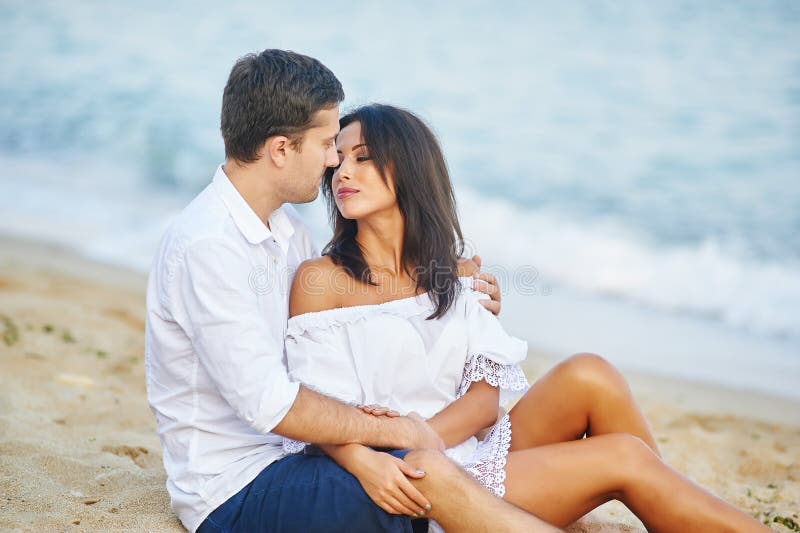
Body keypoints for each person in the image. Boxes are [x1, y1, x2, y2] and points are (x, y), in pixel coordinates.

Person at [283, 103, 771, 532]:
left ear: (410, 167)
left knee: (591, 373)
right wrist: (412, 444)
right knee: (623, 457)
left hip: (460, 448)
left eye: (362, 156)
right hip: (408, 474)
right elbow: (315, 411)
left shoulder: (455, 271)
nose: (342, 171)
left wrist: (428, 432)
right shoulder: (321, 281)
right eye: (339, 158)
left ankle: (666, 511)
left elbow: (482, 404)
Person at [145, 49, 560, 532]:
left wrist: (461, 295)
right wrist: (393, 433)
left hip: (295, 457)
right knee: (423, 478)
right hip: (234, 490)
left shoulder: (285, 232)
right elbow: (271, 402)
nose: (332, 163)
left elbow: (345, 321)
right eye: (327, 145)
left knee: (425, 472)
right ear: (281, 149)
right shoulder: (208, 246)